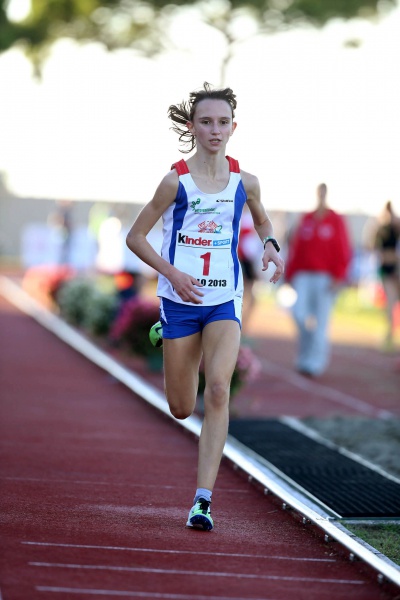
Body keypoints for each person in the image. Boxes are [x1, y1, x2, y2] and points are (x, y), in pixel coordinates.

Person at [126, 82, 284, 531]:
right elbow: (135, 237)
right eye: (207, 122)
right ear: (192, 126)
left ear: (234, 127)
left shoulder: (245, 181)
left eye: (223, 122)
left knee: (216, 389)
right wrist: (173, 274)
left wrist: (271, 245)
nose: (215, 130)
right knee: (181, 407)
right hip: (179, 300)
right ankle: (166, 332)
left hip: (223, 300)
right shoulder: (174, 181)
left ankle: (202, 501)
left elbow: (262, 219)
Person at [285, 183, 352, 377]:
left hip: (325, 277)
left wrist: (339, 275)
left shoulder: (336, 220)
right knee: (299, 314)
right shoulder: (306, 218)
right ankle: (304, 353)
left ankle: (315, 362)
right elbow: (297, 248)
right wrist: (290, 273)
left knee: (321, 322)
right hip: (303, 276)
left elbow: (343, 248)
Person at [373, 201, 400, 351]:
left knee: (391, 304)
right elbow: (375, 248)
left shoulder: (396, 228)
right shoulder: (381, 229)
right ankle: (389, 335)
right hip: (389, 272)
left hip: (395, 271)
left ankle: (390, 335)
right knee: (390, 304)